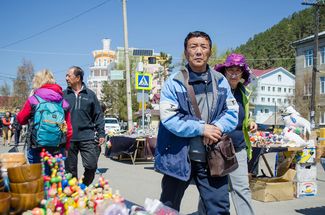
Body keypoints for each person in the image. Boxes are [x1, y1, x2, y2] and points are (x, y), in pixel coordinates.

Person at [154, 31, 239, 215]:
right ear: (186, 52)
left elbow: (232, 111)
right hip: (178, 158)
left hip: (212, 159)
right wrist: (201, 129)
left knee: (219, 209)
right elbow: (169, 118)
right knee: (167, 208)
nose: (198, 51)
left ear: (209, 52)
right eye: (193, 47)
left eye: (203, 47)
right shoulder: (174, 82)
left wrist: (216, 129)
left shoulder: (220, 80)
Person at [214, 53, 257, 215]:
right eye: (230, 69)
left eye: (237, 70)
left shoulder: (243, 93)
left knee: (242, 189)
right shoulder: (217, 90)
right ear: (224, 71)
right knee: (215, 191)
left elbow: (243, 118)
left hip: (238, 148)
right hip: (217, 148)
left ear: (242, 74)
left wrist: (250, 123)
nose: (233, 73)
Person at [17, 69, 73, 165]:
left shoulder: (33, 99)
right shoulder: (63, 103)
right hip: (56, 147)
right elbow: (68, 130)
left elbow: (21, 119)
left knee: (36, 175)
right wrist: (66, 147)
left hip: (35, 145)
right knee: (52, 176)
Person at [63, 66, 105, 186]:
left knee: (91, 166)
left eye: (69, 75)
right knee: (70, 171)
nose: (66, 78)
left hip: (87, 137)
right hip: (69, 138)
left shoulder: (90, 95)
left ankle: (83, 187)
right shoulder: (64, 95)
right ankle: (73, 194)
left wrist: (101, 133)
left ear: (78, 78)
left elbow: (98, 115)